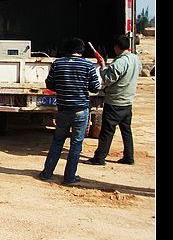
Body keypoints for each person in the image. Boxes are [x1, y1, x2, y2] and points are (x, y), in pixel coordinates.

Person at [39, 38, 101, 185]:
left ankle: (47, 173)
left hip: (63, 110)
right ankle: (69, 177)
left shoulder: (57, 64)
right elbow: (95, 87)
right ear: (81, 50)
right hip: (80, 110)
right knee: (76, 144)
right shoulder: (88, 65)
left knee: (57, 142)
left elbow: (49, 84)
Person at [86, 35, 141, 165]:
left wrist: (103, 66)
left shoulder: (119, 62)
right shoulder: (135, 59)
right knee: (126, 131)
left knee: (106, 132)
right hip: (127, 102)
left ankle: (99, 158)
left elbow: (107, 79)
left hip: (115, 102)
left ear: (117, 47)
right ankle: (129, 157)